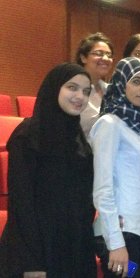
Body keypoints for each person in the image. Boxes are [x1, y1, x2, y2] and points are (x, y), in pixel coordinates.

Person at [0, 63, 96, 277]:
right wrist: (32, 263)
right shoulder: (28, 136)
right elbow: (22, 204)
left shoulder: (79, 140)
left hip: (74, 247)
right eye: (72, 88)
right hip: (37, 249)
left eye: (86, 91)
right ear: (54, 88)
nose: (80, 96)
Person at [91, 57, 140, 278]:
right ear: (121, 82)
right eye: (136, 81)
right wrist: (115, 242)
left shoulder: (138, 125)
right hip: (119, 234)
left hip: (137, 230)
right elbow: (102, 188)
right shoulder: (110, 124)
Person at [75, 32, 114, 138]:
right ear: (83, 58)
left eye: (109, 55)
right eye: (99, 53)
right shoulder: (73, 90)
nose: (105, 59)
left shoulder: (111, 90)